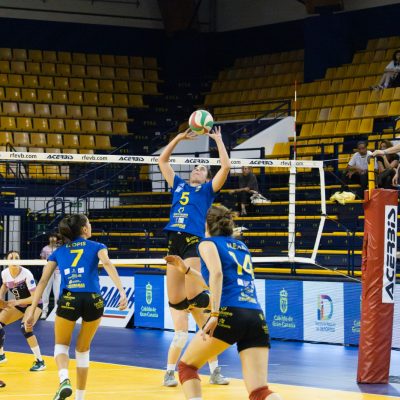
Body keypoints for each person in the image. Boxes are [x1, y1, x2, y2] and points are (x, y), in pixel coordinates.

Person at [166, 205, 282, 400]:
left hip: (230, 312)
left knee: (187, 367)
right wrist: (186, 270)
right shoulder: (242, 247)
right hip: (255, 316)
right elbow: (215, 280)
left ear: (207, 224)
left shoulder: (206, 243)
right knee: (260, 391)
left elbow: (217, 274)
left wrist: (214, 313)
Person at [25, 214, 128, 400]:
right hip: (93, 300)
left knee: (61, 346)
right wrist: (121, 292)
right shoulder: (97, 246)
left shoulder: (58, 252)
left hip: (69, 299)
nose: (91, 225)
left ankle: (64, 380)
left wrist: (31, 311)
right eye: (89, 223)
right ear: (84, 229)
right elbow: (107, 263)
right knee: (83, 349)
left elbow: (43, 282)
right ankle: (80, 397)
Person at [158, 126, 231, 387]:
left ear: (207, 177)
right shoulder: (178, 185)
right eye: (196, 168)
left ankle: (215, 370)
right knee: (178, 306)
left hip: (192, 242)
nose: (198, 170)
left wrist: (218, 140)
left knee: (197, 305)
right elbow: (162, 161)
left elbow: (226, 167)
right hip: (173, 242)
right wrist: (178, 138)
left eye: (202, 169)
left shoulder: (207, 191)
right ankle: (170, 372)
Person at [0, 250, 46, 371]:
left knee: (25, 327)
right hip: (19, 305)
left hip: (34, 304)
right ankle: (1, 355)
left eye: (17, 257)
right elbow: (5, 285)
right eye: (11, 258)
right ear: (6, 261)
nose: (14, 260)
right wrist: (0, 298)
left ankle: (40, 361)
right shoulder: (5, 273)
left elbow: (34, 297)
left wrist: (16, 302)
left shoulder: (26, 274)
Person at [40, 233, 61, 320]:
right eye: (51, 237)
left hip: (58, 272)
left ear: (57, 238)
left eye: (54, 237)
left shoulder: (60, 249)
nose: (52, 238)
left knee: (57, 293)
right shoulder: (45, 249)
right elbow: (42, 260)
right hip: (47, 272)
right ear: (49, 238)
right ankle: (44, 311)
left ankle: (56, 312)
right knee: (45, 292)